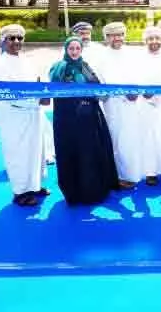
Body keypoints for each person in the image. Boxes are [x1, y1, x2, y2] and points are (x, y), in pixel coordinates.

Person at [49, 37, 119, 205]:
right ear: (66, 49)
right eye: (71, 48)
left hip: (89, 119)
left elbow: (97, 88)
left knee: (90, 154)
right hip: (68, 121)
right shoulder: (58, 68)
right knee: (72, 154)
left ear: (81, 50)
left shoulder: (86, 67)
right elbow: (55, 91)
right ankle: (74, 193)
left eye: (77, 49)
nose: (74, 52)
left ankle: (93, 191)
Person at [0, 25, 50, 207]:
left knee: (36, 151)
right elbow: (9, 94)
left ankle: (35, 185)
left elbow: (38, 82)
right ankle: (20, 192)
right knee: (19, 153)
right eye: (12, 38)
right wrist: (36, 100)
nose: (16, 41)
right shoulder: (0, 65)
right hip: (14, 117)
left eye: (19, 38)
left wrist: (44, 94)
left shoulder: (27, 60)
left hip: (34, 114)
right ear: (4, 41)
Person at [98, 22, 143, 189]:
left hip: (132, 104)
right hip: (112, 105)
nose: (116, 38)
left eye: (119, 35)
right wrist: (105, 95)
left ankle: (133, 173)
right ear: (106, 37)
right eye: (112, 35)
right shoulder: (101, 57)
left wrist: (135, 92)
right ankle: (117, 176)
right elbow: (99, 80)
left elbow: (139, 77)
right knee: (115, 140)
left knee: (131, 139)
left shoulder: (133, 55)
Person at [136, 26, 161, 186]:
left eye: (157, 38)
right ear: (146, 40)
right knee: (148, 136)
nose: (154, 41)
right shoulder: (138, 58)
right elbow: (135, 79)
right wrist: (144, 93)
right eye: (150, 38)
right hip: (145, 102)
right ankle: (150, 171)